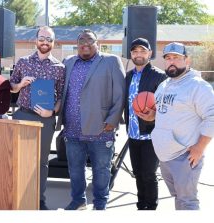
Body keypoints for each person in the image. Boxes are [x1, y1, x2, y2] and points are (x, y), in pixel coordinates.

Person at [138, 42, 214, 210]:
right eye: (168, 58)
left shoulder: (198, 86)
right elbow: (164, 113)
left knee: (187, 202)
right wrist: (152, 116)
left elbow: (212, 116)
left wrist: (200, 147)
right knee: (178, 199)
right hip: (165, 156)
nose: (171, 62)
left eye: (176, 58)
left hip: (184, 156)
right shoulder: (165, 85)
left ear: (187, 60)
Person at [56, 29, 126, 210]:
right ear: (77, 45)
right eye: (81, 40)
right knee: (75, 169)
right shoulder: (69, 62)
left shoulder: (111, 61)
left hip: (101, 128)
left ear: (98, 44)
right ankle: (78, 200)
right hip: (72, 128)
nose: (85, 43)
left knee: (101, 170)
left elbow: (120, 93)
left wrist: (113, 120)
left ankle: (100, 204)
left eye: (90, 40)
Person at [10, 26, 65, 210]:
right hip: (23, 114)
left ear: (53, 42)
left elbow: (61, 97)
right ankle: (17, 197)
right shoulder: (23, 62)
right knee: (19, 159)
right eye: (42, 38)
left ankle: (39, 200)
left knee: (41, 162)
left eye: (49, 39)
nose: (45, 42)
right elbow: (11, 87)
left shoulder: (59, 67)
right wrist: (20, 84)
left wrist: (53, 112)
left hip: (45, 120)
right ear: (36, 40)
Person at [124, 38, 167, 210]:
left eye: (142, 51)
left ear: (150, 53)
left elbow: (167, 107)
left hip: (151, 133)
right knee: (138, 173)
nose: (138, 54)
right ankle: (141, 205)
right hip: (133, 133)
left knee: (149, 174)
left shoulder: (159, 76)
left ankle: (151, 206)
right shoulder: (128, 76)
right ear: (131, 54)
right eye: (135, 51)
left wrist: (154, 115)